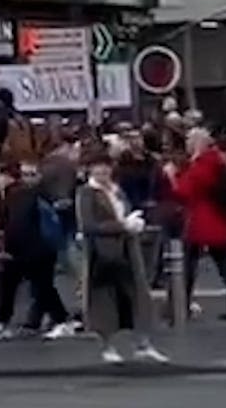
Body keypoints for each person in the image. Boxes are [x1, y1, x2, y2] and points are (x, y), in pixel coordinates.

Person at [76, 150, 165, 364]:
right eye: (98, 166)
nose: (103, 170)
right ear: (90, 169)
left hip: (126, 251)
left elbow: (124, 211)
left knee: (137, 297)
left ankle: (143, 344)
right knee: (105, 300)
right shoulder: (86, 193)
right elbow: (88, 225)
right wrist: (122, 226)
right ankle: (108, 346)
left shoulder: (117, 190)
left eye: (106, 166)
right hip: (102, 254)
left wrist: (133, 221)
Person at [0, 160, 74, 341]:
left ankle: (60, 320)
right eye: (25, 174)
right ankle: (3, 321)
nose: (28, 178)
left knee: (40, 286)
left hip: (37, 248)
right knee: (14, 285)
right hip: (24, 247)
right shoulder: (24, 194)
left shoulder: (35, 194)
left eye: (32, 174)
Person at [173, 129, 226, 321]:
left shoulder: (202, 164)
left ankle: (181, 305)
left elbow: (184, 190)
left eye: (189, 140)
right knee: (222, 265)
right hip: (215, 219)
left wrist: (175, 176)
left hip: (203, 220)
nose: (186, 144)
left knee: (188, 265)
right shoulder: (216, 162)